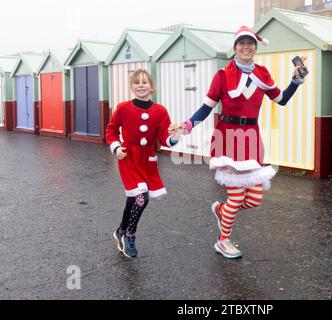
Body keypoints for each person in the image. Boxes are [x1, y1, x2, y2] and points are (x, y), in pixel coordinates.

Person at [169, 26, 308, 259]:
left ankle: (221, 211)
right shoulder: (222, 75)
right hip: (228, 137)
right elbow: (206, 108)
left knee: (253, 199)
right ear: (235, 48)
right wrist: (188, 125)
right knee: (236, 197)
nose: (246, 47)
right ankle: (223, 241)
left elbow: (281, 100)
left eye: (250, 43)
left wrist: (296, 80)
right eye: (241, 43)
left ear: (255, 48)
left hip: (251, 138)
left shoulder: (263, 73)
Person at [106, 69, 180, 258]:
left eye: (145, 82)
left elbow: (164, 138)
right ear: (131, 87)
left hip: (147, 160)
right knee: (141, 197)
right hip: (128, 157)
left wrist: (173, 137)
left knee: (133, 198)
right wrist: (116, 148)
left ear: (152, 87)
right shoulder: (123, 108)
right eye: (136, 82)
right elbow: (111, 130)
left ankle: (121, 230)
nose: (141, 85)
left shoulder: (160, 111)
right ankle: (130, 235)